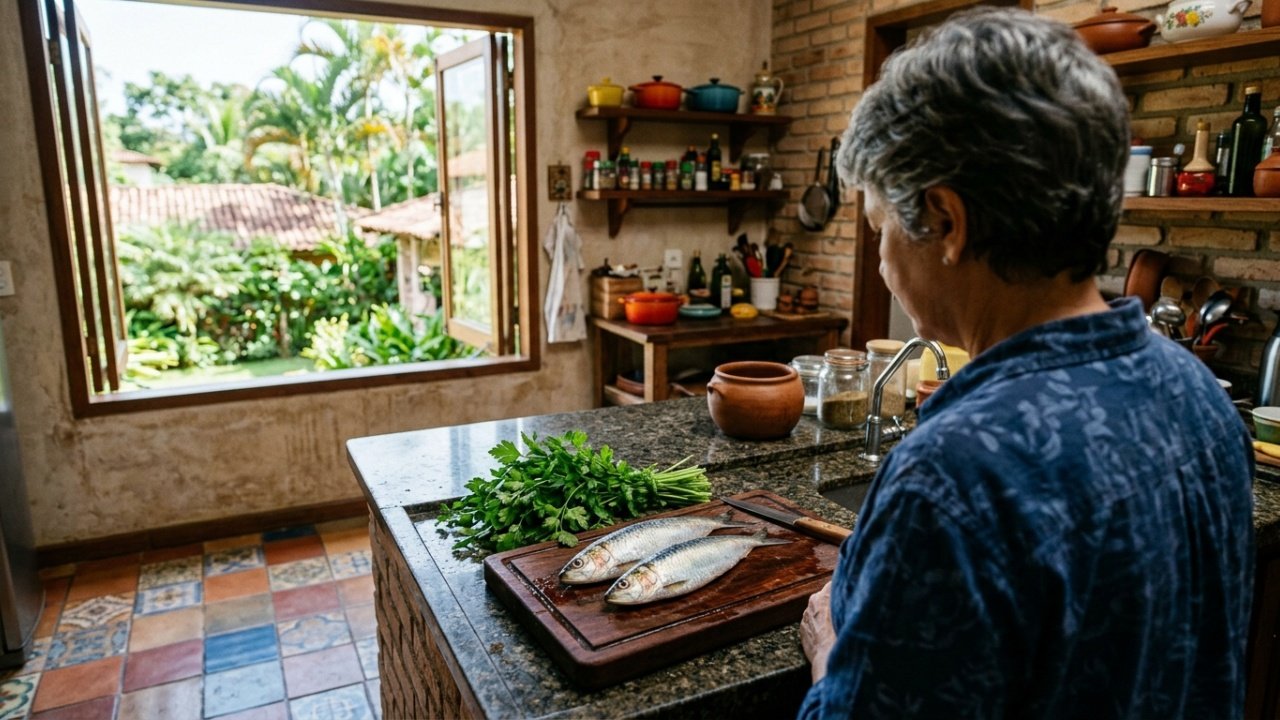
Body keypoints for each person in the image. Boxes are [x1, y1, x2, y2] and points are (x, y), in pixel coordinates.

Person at [798, 7, 1254, 718]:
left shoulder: (952, 474)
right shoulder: (1198, 393)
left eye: (881, 228)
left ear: (946, 222)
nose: (883, 262)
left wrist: (832, 654)